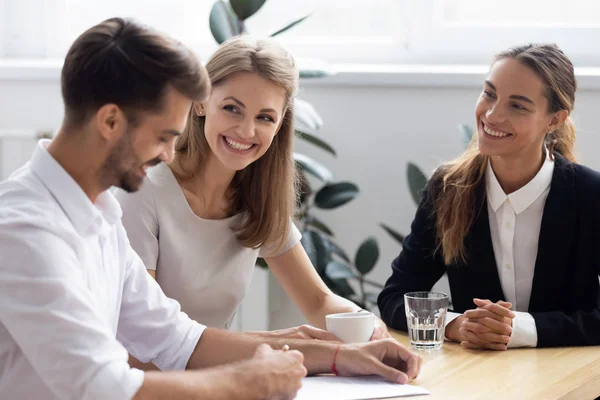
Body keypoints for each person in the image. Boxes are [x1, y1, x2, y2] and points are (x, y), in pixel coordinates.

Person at [0, 18, 422, 400]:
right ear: (110, 122)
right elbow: (103, 385)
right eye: (165, 136)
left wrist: (338, 357)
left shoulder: (100, 216)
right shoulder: (24, 230)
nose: (169, 155)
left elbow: (179, 339)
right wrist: (247, 381)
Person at [115, 35, 390, 340]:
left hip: (221, 375)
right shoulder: (144, 190)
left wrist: (371, 328)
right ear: (202, 103)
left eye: (265, 117)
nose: (246, 131)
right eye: (232, 109)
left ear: (280, 124)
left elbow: (318, 301)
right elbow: (145, 333)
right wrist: (277, 344)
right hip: (149, 379)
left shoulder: (256, 198)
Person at [378, 43, 600, 350]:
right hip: (479, 378)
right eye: (489, 94)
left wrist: (520, 329)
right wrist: (457, 325)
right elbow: (395, 296)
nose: (492, 115)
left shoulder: (591, 195)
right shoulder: (447, 189)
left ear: (555, 119)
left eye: (518, 106)